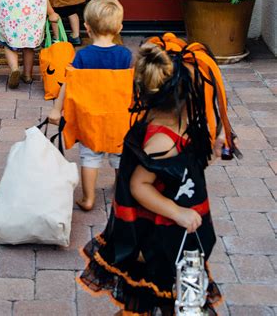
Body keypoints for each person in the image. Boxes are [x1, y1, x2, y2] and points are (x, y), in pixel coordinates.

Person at [77, 41, 226, 316]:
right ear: (185, 98)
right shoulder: (160, 141)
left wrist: (212, 152)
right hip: (160, 238)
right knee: (148, 297)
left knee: (189, 299)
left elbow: (186, 169)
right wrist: (177, 212)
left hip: (185, 238)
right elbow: (138, 185)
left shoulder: (185, 128)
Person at [48, 0, 132, 210]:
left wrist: (57, 110)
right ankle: (121, 193)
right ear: (119, 27)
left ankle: (88, 198)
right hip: (118, 117)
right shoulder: (125, 55)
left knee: (89, 157)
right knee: (121, 156)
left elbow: (68, 83)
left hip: (90, 116)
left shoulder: (83, 56)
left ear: (86, 27)